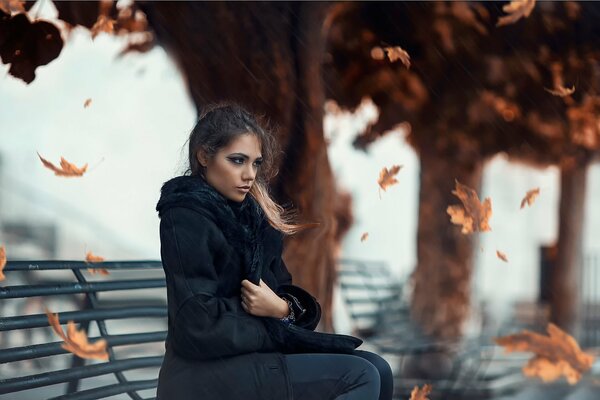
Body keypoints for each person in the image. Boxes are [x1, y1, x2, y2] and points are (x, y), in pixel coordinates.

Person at [155, 103, 393, 400]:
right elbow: (197, 324)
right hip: (199, 375)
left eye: (255, 163)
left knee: (378, 367)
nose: (249, 174)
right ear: (204, 156)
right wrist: (266, 322)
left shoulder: (250, 218)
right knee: (359, 375)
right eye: (237, 160)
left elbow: (279, 288)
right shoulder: (186, 216)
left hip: (244, 358)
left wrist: (281, 309)